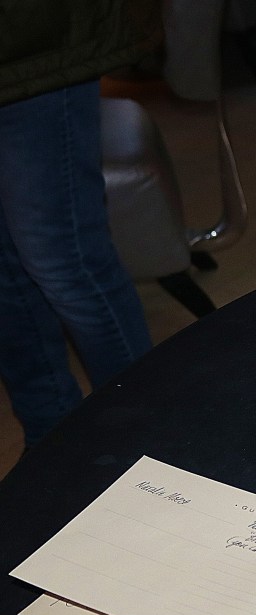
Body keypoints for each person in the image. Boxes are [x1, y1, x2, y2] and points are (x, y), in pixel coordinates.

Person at [0, 1, 159, 449]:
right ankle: (50, 442)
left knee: (65, 263)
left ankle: (145, 441)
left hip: (35, 45)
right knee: (7, 274)